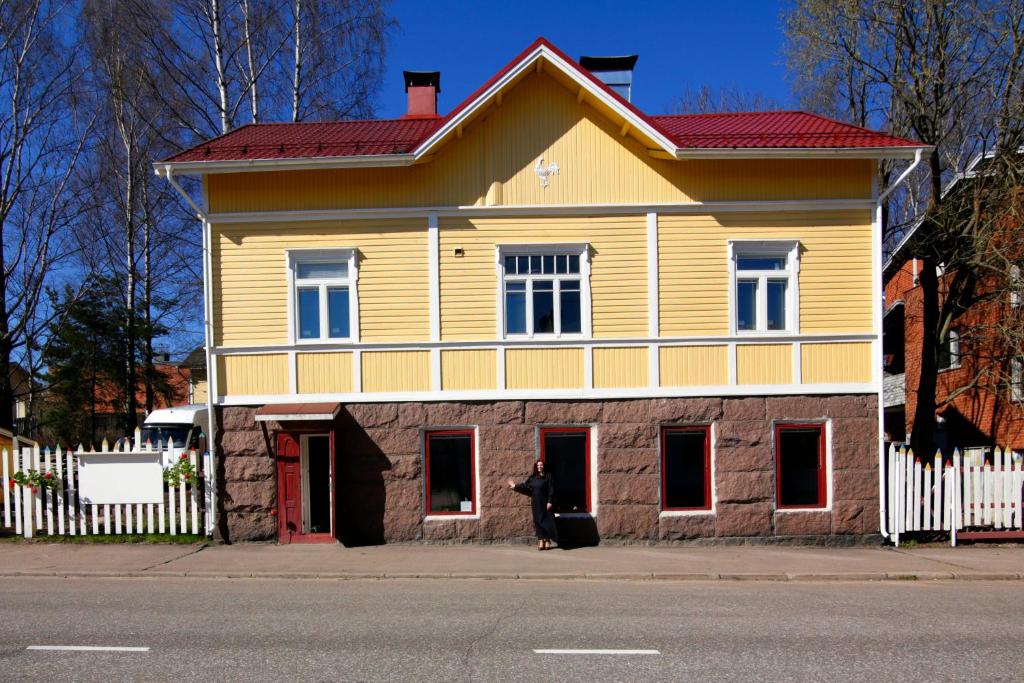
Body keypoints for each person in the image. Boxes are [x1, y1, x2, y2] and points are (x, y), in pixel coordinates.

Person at [508, 460, 559, 550]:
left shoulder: (548, 476)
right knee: (538, 521)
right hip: (536, 503)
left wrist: (550, 501)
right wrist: (515, 486)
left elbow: (552, 489)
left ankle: (547, 539)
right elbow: (526, 486)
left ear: (543, 466)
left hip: (545, 502)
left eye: (541, 465)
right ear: (536, 467)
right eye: (538, 465)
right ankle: (540, 539)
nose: (539, 467)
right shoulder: (533, 477)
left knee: (546, 521)